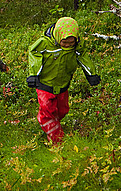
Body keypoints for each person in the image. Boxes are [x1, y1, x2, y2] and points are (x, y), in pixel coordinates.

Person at [27, 16, 88, 145]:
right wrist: (34, 74)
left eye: (71, 43)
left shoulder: (77, 46)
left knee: (62, 110)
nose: (67, 46)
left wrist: (91, 74)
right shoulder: (45, 43)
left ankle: (49, 122)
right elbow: (34, 54)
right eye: (64, 43)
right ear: (58, 36)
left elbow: (83, 57)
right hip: (45, 84)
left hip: (62, 84)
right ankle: (57, 140)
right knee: (48, 110)